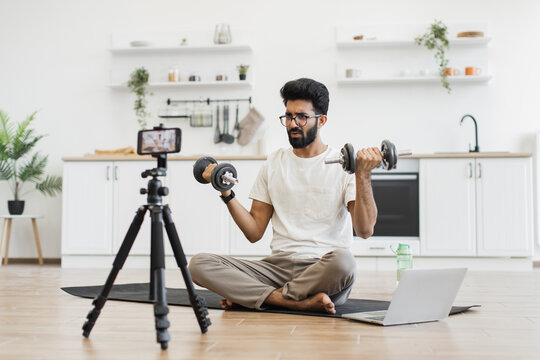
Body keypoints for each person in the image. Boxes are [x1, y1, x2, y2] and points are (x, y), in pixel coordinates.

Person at [188, 78, 382, 314]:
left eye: (301, 117)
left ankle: (259, 297)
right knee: (199, 264)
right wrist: (225, 192)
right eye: (288, 116)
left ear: (321, 120)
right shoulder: (274, 162)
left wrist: (363, 174)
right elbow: (254, 232)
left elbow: (364, 230)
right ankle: (292, 301)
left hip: (322, 269)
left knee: (345, 263)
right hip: (276, 268)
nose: (293, 123)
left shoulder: (344, 165)